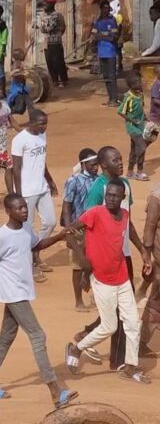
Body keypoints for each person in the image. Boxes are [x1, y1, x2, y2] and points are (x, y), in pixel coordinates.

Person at [0, 193, 78, 408]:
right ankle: (55, 391)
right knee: (38, 335)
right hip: (13, 294)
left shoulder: (26, 229)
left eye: (25, 207)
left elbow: (35, 246)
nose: (25, 211)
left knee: (6, 336)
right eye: (19, 208)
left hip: (23, 292)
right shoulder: (0, 236)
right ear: (8, 211)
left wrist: (60, 236)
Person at [64, 180, 151, 384]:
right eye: (109, 195)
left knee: (132, 323)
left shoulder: (124, 216)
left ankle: (130, 367)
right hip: (102, 280)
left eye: (115, 196)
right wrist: (84, 262)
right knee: (109, 326)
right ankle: (76, 349)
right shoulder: (95, 213)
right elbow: (69, 232)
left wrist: (143, 252)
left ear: (123, 198)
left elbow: (131, 233)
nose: (111, 198)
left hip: (121, 278)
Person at [12, 108, 58, 279]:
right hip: (27, 191)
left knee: (51, 222)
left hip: (42, 187)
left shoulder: (41, 136)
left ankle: (36, 252)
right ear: (31, 122)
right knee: (27, 228)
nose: (44, 127)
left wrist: (50, 180)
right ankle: (29, 264)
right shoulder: (20, 140)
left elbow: (42, 161)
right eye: (41, 124)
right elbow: (15, 168)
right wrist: (19, 194)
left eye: (46, 123)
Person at [62, 148, 99, 311]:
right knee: (78, 265)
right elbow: (67, 205)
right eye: (92, 165)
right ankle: (78, 301)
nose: (95, 167)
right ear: (84, 164)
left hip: (95, 227)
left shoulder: (99, 180)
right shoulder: (73, 180)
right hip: (78, 227)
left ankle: (95, 297)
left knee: (96, 262)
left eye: (97, 164)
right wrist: (68, 229)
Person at [117, 73, 151, 181]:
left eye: (140, 81)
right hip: (132, 127)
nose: (140, 83)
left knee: (134, 148)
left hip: (140, 125)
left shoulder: (139, 94)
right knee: (142, 147)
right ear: (131, 85)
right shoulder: (129, 98)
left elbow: (140, 108)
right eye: (137, 82)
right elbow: (120, 111)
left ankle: (130, 171)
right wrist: (132, 120)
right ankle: (139, 172)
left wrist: (145, 118)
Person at [139, 183, 160, 356]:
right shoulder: (157, 196)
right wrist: (146, 256)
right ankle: (141, 342)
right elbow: (149, 227)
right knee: (156, 299)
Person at [92, 0, 120, 107]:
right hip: (102, 52)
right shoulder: (97, 21)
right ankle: (110, 98)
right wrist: (105, 36)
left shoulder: (112, 21)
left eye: (108, 8)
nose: (106, 10)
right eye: (104, 8)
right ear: (101, 9)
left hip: (111, 53)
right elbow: (94, 36)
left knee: (112, 76)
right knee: (106, 77)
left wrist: (101, 36)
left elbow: (114, 37)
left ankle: (114, 99)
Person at [40, 0, 69, 88]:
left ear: (52, 4)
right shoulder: (42, 16)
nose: (45, 5)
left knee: (58, 61)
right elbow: (42, 28)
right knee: (49, 62)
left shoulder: (58, 15)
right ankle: (54, 80)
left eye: (47, 4)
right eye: (44, 3)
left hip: (56, 42)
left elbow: (63, 27)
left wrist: (57, 35)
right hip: (46, 42)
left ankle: (63, 79)